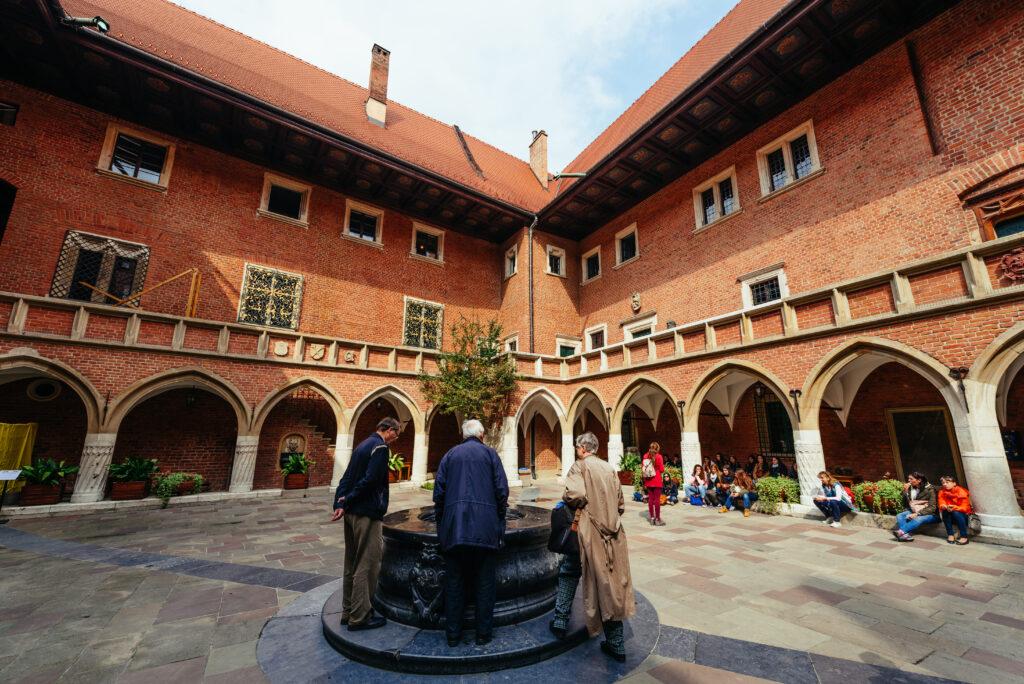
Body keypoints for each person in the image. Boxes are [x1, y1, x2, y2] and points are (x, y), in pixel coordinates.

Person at [550, 432, 635, 663]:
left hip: (586, 534)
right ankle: (616, 643)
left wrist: (571, 498)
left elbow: (575, 494)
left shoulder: (579, 467)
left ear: (583, 448)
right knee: (609, 585)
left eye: (577, 447)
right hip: (612, 535)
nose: (577, 450)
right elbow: (620, 504)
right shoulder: (609, 468)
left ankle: (560, 621)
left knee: (569, 571)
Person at [433, 418, 509, 647]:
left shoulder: (450, 455)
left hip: (455, 529)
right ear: (481, 435)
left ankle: (453, 635)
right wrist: (499, 520)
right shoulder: (490, 454)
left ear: (463, 435)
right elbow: (502, 490)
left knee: (454, 582)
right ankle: (483, 634)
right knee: (485, 583)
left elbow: (439, 493)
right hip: (485, 529)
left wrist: (442, 523)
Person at [331, 416, 401, 631]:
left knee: (351, 563)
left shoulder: (362, 445)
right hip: (366, 513)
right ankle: (360, 616)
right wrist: (351, 498)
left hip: (351, 512)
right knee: (368, 563)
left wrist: (340, 502)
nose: (395, 439)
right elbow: (371, 480)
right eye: (396, 434)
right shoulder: (380, 448)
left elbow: (346, 477)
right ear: (389, 429)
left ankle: (347, 611)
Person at [892, 472, 939, 542]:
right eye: (908, 479)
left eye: (911, 479)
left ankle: (901, 532)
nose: (909, 480)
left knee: (918, 519)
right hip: (915, 510)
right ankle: (905, 535)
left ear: (919, 480)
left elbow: (932, 508)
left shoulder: (930, 490)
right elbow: (908, 503)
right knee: (900, 515)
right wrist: (906, 492)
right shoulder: (911, 488)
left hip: (931, 514)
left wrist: (917, 514)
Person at [937, 475, 973, 545]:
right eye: (943, 483)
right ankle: (950, 534)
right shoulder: (942, 492)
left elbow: (965, 508)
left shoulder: (961, 492)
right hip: (950, 516)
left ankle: (964, 537)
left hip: (964, 516)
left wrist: (953, 507)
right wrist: (944, 506)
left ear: (954, 483)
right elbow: (941, 503)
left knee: (956, 512)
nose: (945, 484)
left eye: (947, 482)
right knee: (945, 511)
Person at [641, 442, 665, 525]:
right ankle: (657, 518)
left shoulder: (645, 456)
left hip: (648, 479)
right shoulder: (659, 456)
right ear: (657, 448)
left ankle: (652, 518)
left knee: (650, 499)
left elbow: (642, 468)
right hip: (656, 479)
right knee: (657, 499)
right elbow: (662, 469)